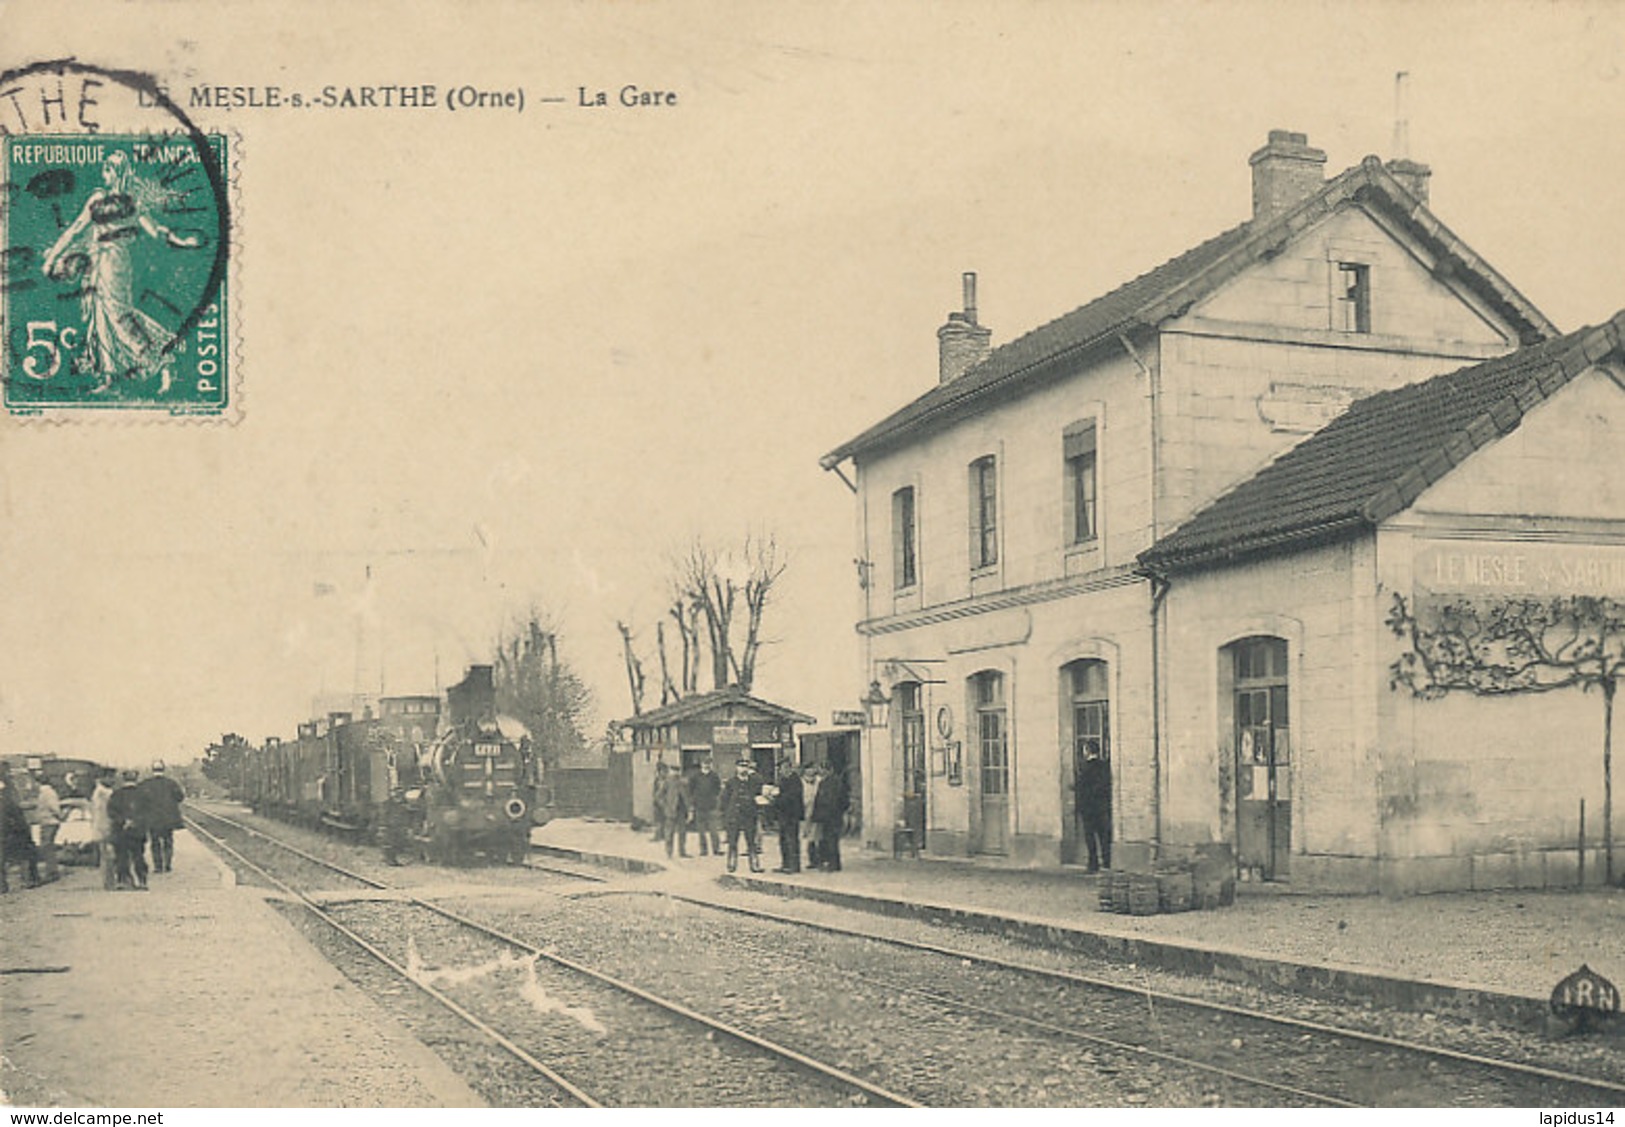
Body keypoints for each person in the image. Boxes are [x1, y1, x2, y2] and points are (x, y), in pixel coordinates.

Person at [40, 151, 203, 391]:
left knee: (118, 315)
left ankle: (160, 360)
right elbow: (76, 230)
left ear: (116, 173)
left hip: (112, 262)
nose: (104, 174)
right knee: (101, 315)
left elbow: (153, 228)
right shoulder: (108, 199)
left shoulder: (126, 201)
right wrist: (53, 257)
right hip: (101, 261)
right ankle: (108, 376)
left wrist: (179, 240)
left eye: (108, 170)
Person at [138, 760, 186, 873]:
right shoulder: (171, 783)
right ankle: (168, 864)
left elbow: (139, 800)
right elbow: (180, 797)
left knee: (155, 843)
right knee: (168, 841)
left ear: (152, 770)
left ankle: (158, 866)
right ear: (163, 770)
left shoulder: (145, 784)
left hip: (152, 819)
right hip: (168, 819)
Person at [719, 757, 765, 874]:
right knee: (733, 841)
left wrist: (758, 808)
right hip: (734, 816)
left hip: (749, 815)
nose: (743, 769)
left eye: (745, 766)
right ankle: (732, 863)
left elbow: (759, 797)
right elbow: (724, 800)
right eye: (741, 766)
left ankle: (754, 864)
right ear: (736, 768)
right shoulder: (730, 783)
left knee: (751, 841)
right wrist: (726, 815)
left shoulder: (754, 782)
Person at [107, 769, 149, 890]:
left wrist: (123, 821)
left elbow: (111, 812)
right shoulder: (143, 793)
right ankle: (142, 881)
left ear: (123, 779)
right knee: (139, 855)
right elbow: (148, 811)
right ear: (136, 779)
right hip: (138, 831)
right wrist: (135, 821)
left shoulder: (116, 794)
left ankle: (122, 881)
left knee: (121, 856)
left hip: (121, 831)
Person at [0, 772, 41, 892]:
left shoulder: (7, 804)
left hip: (10, 834)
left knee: (7, 859)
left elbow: (15, 819)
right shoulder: (10, 802)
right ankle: (30, 879)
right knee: (25, 856)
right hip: (12, 833)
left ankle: (5, 885)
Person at [1075, 749, 1113, 873]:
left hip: (1089, 809)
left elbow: (1082, 788)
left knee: (1090, 838)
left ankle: (1093, 864)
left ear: (1087, 751)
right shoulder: (1104, 766)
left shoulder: (1085, 768)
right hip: (1102, 808)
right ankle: (1107, 862)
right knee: (1104, 836)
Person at [811, 757, 850, 872]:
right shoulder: (823, 782)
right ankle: (831, 863)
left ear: (830, 770)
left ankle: (833, 864)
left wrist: (837, 812)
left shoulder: (835, 782)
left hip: (832, 817)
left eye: (824, 769)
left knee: (831, 840)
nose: (822, 772)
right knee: (827, 840)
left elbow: (840, 800)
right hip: (825, 817)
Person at [771, 760, 805, 874]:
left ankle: (794, 866)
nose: (781, 771)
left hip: (791, 815)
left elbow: (791, 798)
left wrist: (776, 799)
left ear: (788, 768)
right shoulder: (783, 780)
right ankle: (785, 864)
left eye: (782, 769)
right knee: (783, 841)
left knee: (792, 840)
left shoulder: (795, 780)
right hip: (783, 815)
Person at [32, 769, 63, 884]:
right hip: (48, 822)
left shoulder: (46, 793)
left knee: (47, 847)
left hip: (49, 822)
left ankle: (52, 872)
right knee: (47, 846)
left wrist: (58, 816)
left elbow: (54, 807)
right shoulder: (47, 792)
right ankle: (52, 871)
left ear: (38, 782)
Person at [688, 757, 722, 857]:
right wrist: (694, 803)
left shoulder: (714, 776)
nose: (706, 765)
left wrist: (713, 800)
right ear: (701, 764)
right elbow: (691, 790)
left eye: (708, 763)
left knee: (714, 830)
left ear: (711, 764)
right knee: (701, 831)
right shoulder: (695, 777)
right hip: (699, 807)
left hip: (711, 807)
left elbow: (717, 790)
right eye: (704, 763)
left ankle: (716, 849)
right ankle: (703, 850)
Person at [90, 769, 118, 891]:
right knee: (109, 856)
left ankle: (109, 881)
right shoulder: (103, 793)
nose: (113, 780)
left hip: (102, 827)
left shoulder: (99, 791)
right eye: (111, 777)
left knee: (107, 856)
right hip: (105, 827)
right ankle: (109, 882)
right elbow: (105, 813)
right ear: (104, 778)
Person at [658, 762, 692, 859]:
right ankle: (669, 853)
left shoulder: (683, 782)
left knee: (682, 832)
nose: (675, 773)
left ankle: (682, 851)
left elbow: (688, 797)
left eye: (677, 771)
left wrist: (689, 809)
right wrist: (665, 807)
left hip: (682, 811)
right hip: (671, 811)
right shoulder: (667, 782)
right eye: (673, 771)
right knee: (669, 833)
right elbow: (659, 796)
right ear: (670, 771)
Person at [380, 786, 411, 866]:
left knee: (397, 843)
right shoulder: (388, 803)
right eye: (397, 792)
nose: (399, 794)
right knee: (389, 843)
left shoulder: (404, 803)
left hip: (399, 825)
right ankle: (389, 859)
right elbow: (384, 815)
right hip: (390, 825)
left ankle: (393, 859)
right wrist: (384, 825)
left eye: (401, 793)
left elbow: (406, 814)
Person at [650, 762, 672, 842]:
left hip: (664, 802)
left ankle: (662, 835)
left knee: (663, 820)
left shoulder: (666, 780)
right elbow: (655, 791)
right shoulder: (657, 780)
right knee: (658, 819)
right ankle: (659, 835)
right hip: (657, 802)